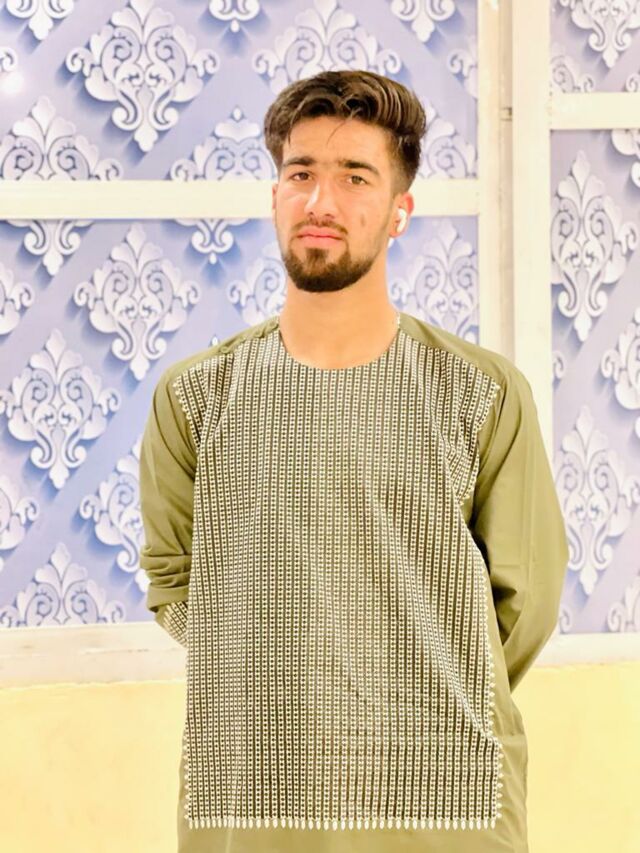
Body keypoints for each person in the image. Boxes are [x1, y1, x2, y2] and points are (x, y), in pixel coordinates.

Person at [139, 69, 569, 853]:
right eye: (300, 173)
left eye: (355, 177)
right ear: (275, 196)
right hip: (251, 790)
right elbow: (174, 576)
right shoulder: (196, 397)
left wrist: (412, 685)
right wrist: (274, 668)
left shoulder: (480, 393)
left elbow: (526, 597)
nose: (321, 201)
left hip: (446, 795)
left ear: (400, 210)